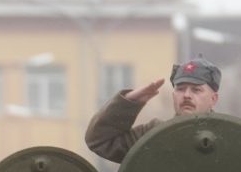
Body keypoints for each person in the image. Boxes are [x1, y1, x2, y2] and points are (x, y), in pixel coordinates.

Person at [84, 57, 222, 163]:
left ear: (213, 99)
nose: (186, 95)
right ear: (173, 95)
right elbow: (99, 140)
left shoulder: (229, 137)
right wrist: (129, 102)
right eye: (180, 89)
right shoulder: (155, 135)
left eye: (196, 90)